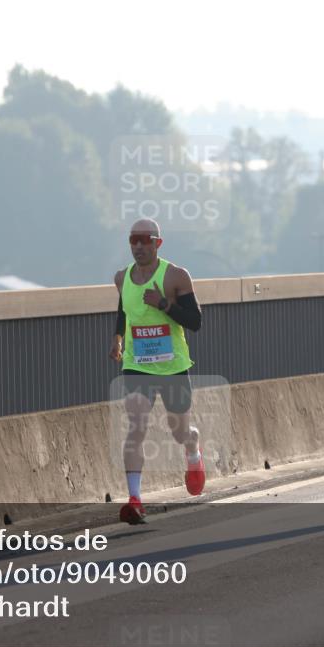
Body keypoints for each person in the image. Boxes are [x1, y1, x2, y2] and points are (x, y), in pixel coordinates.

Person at [110, 218, 204, 524]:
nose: (138, 246)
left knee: (179, 432)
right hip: (137, 365)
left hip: (173, 366)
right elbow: (124, 310)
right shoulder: (122, 278)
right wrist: (118, 340)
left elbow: (195, 321)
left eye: (144, 240)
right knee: (136, 425)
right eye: (132, 240)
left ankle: (192, 447)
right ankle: (135, 500)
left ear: (157, 243)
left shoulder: (176, 276)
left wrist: (164, 304)